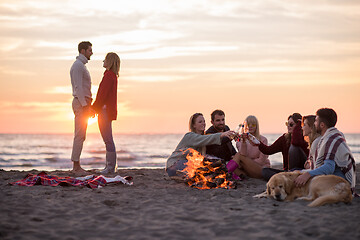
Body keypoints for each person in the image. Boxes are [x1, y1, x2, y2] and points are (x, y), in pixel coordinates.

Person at [294, 108, 356, 191]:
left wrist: (307, 174)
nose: (314, 124)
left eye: (315, 121)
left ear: (322, 125)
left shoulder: (331, 139)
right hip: (333, 180)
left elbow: (329, 167)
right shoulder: (330, 137)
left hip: (340, 185)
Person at [166, 113, 235, 177]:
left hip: (189, 165)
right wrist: (221, 134)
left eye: (204, 121)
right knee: (198, 170)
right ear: (194, 125)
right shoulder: (190, 136)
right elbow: (206, 138)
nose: (203, 124)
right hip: (174, 165)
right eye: (200, 122)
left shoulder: (203, 140)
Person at [91, 52, 121, 174]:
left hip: (104, 110)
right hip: (106, 110)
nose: (103, 61)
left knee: (107, 138)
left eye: (105, 59)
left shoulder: (109, 76)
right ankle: (110, 166)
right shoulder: (112, 75)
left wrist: (94, 108)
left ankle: (110, 167)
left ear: (109, 61)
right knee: (108, 138)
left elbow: (102, 95)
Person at [258, 113, 309, 180]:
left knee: (294, 148)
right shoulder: (284, 138)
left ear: (299, 126)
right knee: (265, 171)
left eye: (291, 124)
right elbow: (268, 150)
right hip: (287, 172)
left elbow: (295, 142)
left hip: (301, 171)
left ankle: (288, 178)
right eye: (287, 124)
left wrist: (299, 124)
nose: (288, 126)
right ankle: (286, 178)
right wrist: (257, 143)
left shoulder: (304, 138)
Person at [70, 41, 93, 174]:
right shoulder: (78, 66)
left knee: (81, 135)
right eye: (90, 50)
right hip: (80, 103)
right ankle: (76, 166)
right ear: (83, 51)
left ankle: (76, 165)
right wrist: (85, 106)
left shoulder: (81, 65)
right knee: (79, 134)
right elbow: (78, 87)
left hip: (83, 103)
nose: (92, 53)